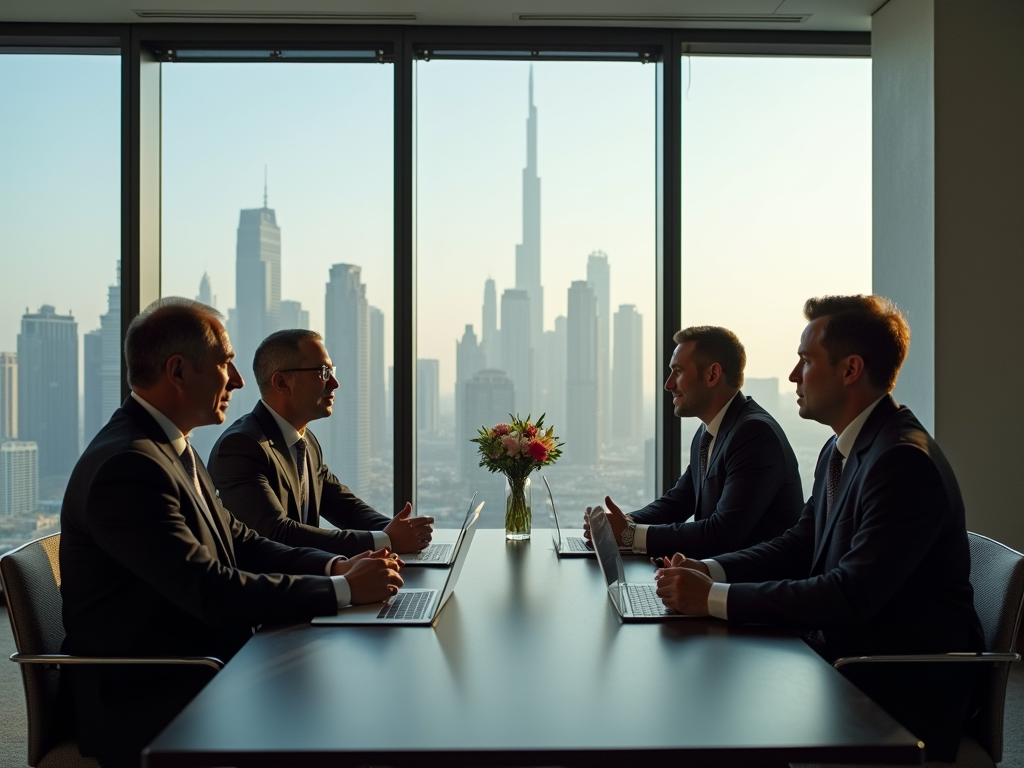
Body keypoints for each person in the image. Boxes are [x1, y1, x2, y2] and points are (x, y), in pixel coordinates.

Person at [59, 298, 403, 768]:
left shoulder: (168, 446)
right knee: (347, 715)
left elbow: (240, 540)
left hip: (204, 660)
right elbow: (211, 591)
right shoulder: (129, 466)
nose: (239, 381)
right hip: (154, 692)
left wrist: (334, 567)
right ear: (177, 371)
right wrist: (341, 590)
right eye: (225, 364)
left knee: (354, 693)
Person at [654, 295, 982, 762]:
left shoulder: (902, 462)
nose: (792, 376)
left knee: (708, 711)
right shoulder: (842, 449)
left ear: (850, 370)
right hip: (842, 657)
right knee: (696, 694)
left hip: (893, 688)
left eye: (805, 361)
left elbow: (848, 595)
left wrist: (709, 598)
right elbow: (798, 544)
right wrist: (711, 570)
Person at [208, 329, 433, 557]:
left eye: (331, 371)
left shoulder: (305, 441)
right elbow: (275, 533)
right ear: (282, 382)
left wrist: (402, 531)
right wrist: (386, 540)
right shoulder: (241, 446)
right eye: (323, 372)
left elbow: (344, 507)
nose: (334, 383)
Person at [585, 326, 802, 559]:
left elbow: (722, 533)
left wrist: (630, 535)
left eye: (677, 371)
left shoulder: (755, 434)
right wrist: (624, 523)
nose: (668, 384)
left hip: (751, 588)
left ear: (712, 375)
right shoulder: (708, 431)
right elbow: (679, 501)